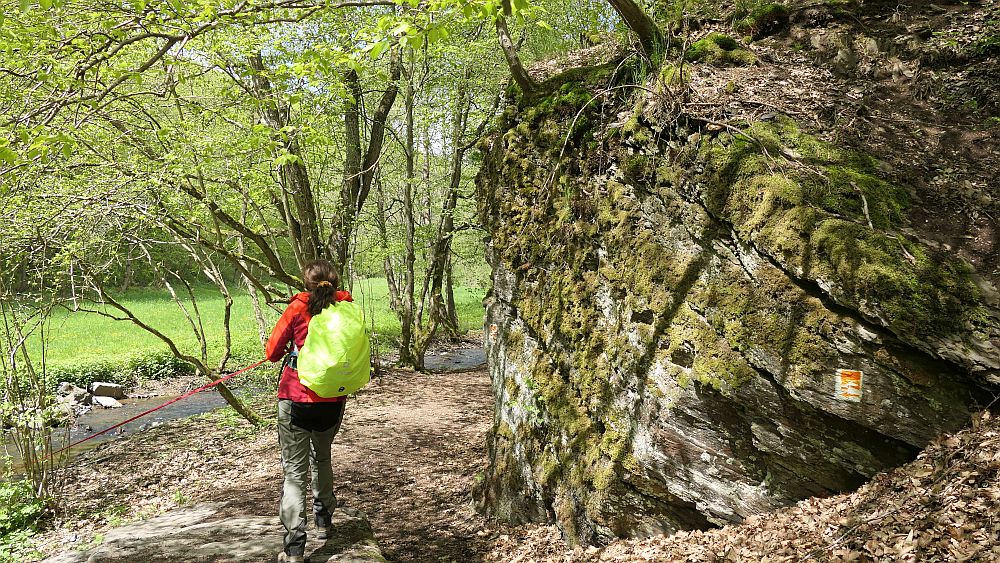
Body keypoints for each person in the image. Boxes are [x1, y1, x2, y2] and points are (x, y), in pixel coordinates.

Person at [266, 260, 352, 563]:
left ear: (306, 283)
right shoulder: (345, 307)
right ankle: (324, 519)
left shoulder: (297, 308)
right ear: (334, 283)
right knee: (323, 457)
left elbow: (272, 352)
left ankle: (294, 549)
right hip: (333, 399)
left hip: (295, 398)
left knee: (294, 472)